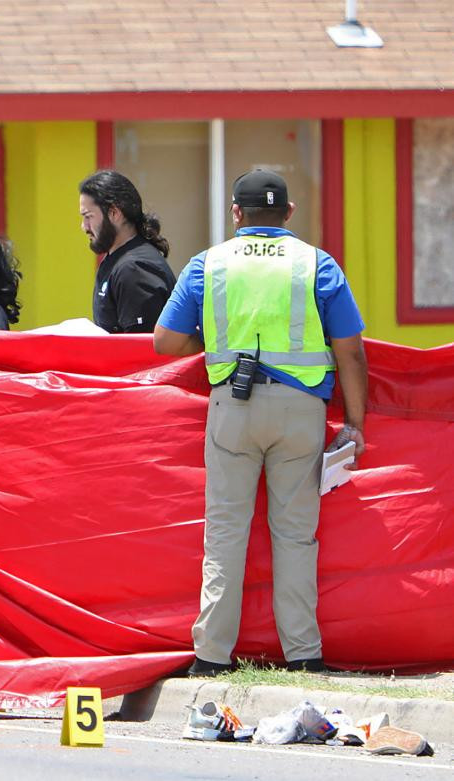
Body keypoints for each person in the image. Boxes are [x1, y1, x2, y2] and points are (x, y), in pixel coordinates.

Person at [153, 169, 368, 676]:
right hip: (301, 412)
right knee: (295, 536)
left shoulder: (210, 264)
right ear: (288, 214)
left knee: (225, 533)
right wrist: (355, 423)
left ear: (236, 214)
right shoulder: (317, 264)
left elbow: (165, 342)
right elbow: (352, 352)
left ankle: (210, 657)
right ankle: (303, 655)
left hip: (233, 406)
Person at [79, 170, 176, 333]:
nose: (84, 226)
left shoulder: (133, 269)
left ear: (114, 213)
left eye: (88, 216)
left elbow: (142, 349)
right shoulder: (117, 260)